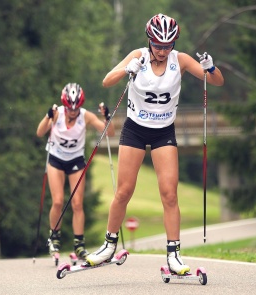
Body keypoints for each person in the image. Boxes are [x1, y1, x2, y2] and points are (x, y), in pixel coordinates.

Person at [85, 13, 224, 274]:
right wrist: (127, 70)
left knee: (170, 193)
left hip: (163, 132)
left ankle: (174, 255)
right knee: (124, 191)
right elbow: (106, 81)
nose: (162, 51)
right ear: (149, 41)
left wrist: (211, 68)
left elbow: (216, 82)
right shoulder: (137, 55)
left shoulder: (179, 60)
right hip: (135, 130)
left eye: (167, 45)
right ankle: (108, 245)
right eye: (158, 45)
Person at [36, 83, 115, 260]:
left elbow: (109, 133)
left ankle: (79, 245)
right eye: (70, 108)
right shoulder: (57, 113)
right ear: (65, 104)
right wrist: (48, 116)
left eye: (76, 108)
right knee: (57, 202)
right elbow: (40, 132)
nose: (73, 112)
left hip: (75, 161)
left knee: (77, 203)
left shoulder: (86, 116)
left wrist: (107, 117)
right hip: (56, 160)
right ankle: (54, 238)